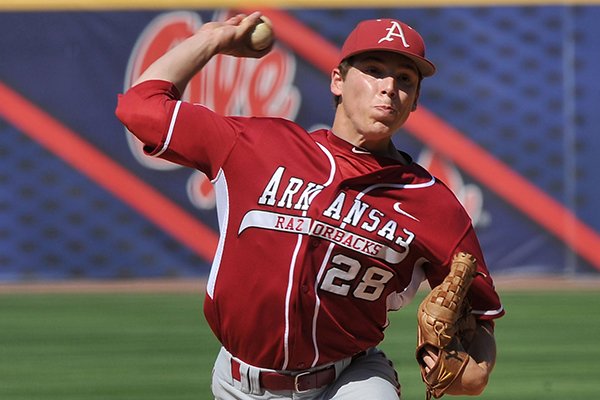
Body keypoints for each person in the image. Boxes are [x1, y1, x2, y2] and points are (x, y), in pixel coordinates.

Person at [116, 12, 505, 400]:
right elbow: (140, 108)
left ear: (415, 99)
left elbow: (479, 318)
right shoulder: (256, 146)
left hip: (350, 379)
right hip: (239, 384)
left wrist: (477, 370)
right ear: (338, 80)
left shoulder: (432, 202)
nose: (388, 87)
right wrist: (210, 40)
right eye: (373, 70)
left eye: (405, 79)